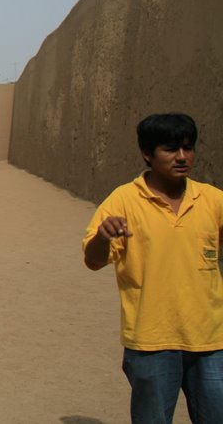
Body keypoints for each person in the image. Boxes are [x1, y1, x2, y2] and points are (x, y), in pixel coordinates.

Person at [83, 113, 223, 423]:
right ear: (147, 154)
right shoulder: (123, 201)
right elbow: (93, 261)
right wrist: (104, 236)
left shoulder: (212, 200)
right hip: (151, 340)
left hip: (211, 339)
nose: (182, 157)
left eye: (188, 148)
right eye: (171, 149)